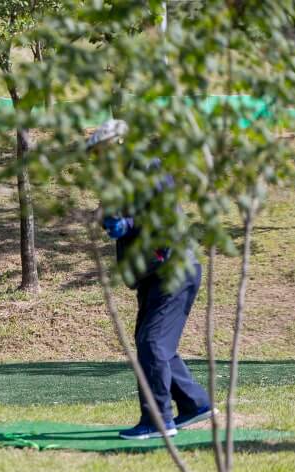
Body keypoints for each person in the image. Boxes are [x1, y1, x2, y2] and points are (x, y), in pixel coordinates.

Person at [86, 119, 212, 440]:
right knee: (155, 343)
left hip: (173, 268)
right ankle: (194, 403)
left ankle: (158, 420)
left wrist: (127, 224)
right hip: (154, 273)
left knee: (151, 343)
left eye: (99, 152)